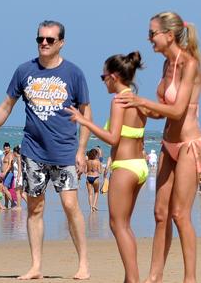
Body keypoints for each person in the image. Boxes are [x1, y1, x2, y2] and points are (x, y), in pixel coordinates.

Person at [0, 20, 91, 280]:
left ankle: (83, 263)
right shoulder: (24, 71)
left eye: (50, 39)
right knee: (35, 208)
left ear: (61, 42)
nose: (44, 43)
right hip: (33, 152)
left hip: (64, 152)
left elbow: (86, 112)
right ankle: (36, 266)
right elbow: (6, 106)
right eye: (40, 39)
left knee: (70, 205)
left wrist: (81, 149)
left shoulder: (74, 74)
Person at [115, 12, 201, 283]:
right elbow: (160, 113)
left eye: (152, 33)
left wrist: (143, 101)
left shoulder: (190, 64)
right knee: (160, 214)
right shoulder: (166, 65)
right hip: (167, 144)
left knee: (179, 214)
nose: (148, 38)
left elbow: (177, 111)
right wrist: (133, 104)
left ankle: (190, 279)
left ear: (169, 35)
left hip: (188, 145)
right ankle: (154, 276)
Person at [67, 51, 147, 282]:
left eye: (103, 77)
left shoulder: (119, 100)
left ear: (113, 76)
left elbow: (113, 138)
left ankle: (132, 279)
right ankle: (130, 277)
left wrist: (85, 122)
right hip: (139, 165)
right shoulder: (137, 99)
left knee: (117, 225)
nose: (102, 82)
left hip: (125, 166)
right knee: (124, 226)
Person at [1, 142, 15, 208]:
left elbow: (9, 165)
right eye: (5, 147)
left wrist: (5, 172)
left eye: (7, 147)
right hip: (4, 174)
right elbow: (3, 164)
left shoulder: (10, 155)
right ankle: (6, 205)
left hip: (9, 173)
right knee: (5, 189)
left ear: (9, 147)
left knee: (5, 188)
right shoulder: (5, 155)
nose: (6, 148)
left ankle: (13, 203)